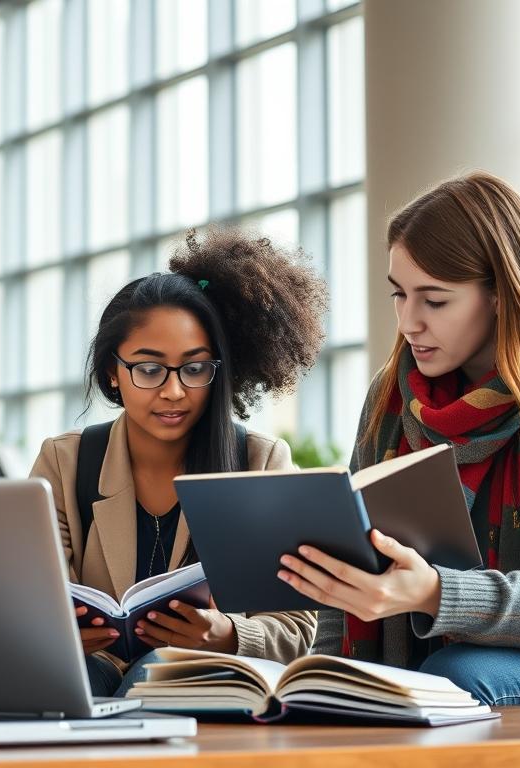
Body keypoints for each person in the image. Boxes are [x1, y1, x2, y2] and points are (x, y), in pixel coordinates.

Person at [278, 171, 520, 711]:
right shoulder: (392, 396)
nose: (409, 321)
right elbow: (348, 577)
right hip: (427, 668)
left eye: (434, 301)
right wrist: (316, 683)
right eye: (399, 295)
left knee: (456, 674)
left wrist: (435, 592)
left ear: (502, 296)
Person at [31, 228, 330, 696]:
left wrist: (228, 636)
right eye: (149, 369)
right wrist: (55, 632)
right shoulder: (65, 462)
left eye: (194, 368)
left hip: (199, 683)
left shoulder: (260, 461)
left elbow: (297, 630)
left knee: (155, 677)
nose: (173, 391)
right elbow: (25, 602)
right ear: (113, 371)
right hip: (89, 674)